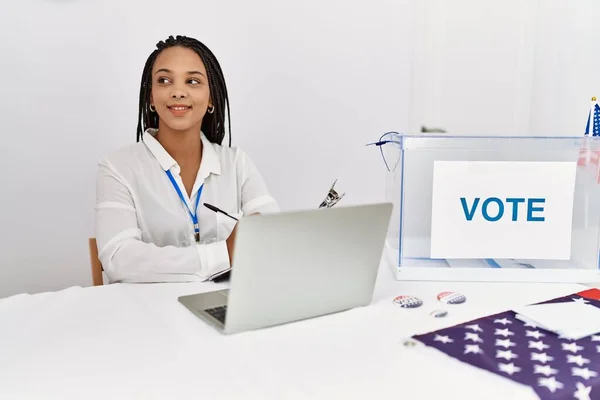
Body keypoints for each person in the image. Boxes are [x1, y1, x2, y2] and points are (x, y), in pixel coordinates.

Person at [94, 35, 279, 283]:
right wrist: (224, 252)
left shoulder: (237, 163)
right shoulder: (117, 168)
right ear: (150, 97)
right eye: (164, 80)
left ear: (212, 98)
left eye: (192, 81)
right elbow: (119, 259)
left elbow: (273, 238)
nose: (178, 92)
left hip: (226, 307)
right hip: (148, 313)